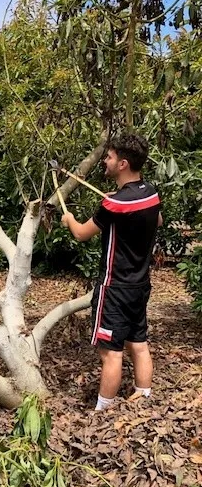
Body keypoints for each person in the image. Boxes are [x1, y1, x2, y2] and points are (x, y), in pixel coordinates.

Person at [61, 134, 162, 412]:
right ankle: (144, 395)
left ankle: (103, 410)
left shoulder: (114, 204)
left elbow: (82, 233)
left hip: (114, 287)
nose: (105, 161)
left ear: (123, 164)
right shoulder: (151, 193)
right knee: (138, 343)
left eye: (109, 157)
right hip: (140, 285)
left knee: (111, 352)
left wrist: (69, 218)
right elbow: (158, 219)